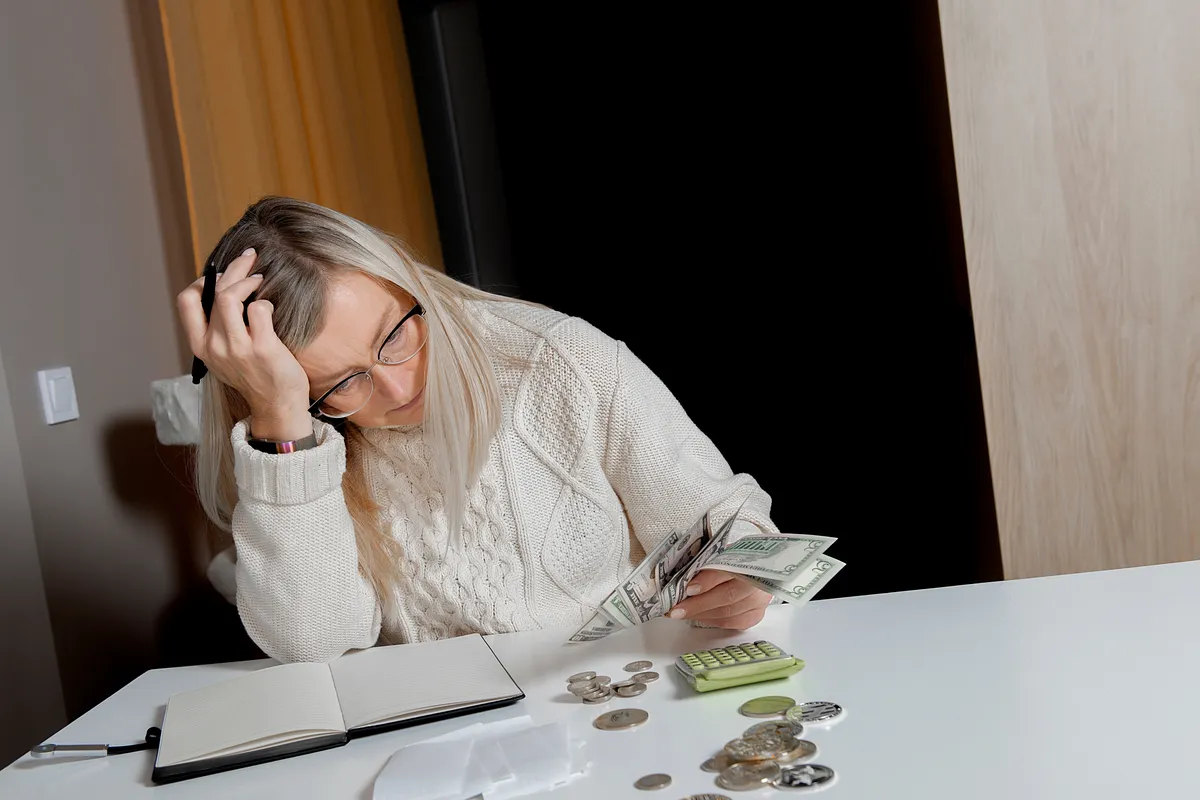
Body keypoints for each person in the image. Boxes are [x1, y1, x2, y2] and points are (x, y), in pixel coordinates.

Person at [178, 196, 779, 663]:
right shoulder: (306, 438)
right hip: (447, 739)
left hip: (625, 691)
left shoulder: (554, 357)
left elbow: (723, 512)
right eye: (341, 383)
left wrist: (749, 570)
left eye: (395, 334)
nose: (397, 385)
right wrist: (280, 422)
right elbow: (310, 639)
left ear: (411, 285)